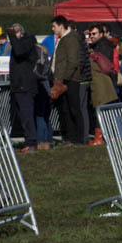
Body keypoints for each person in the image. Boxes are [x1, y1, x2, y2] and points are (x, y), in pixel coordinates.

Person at [51, 15, 91, 146]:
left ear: (61, 26)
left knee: (75, 109)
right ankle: (71, 138)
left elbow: (73, 61)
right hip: (62, 79)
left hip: (71, 79)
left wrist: (64, 78)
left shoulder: (71, 38)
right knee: (66, 109)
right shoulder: (62, 39)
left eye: (54, 26)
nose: (52, 29)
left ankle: (80, 139)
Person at [8, 23, 38, 153]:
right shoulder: (21, 42)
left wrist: (12, 37)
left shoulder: (27, 40)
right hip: (18, 84)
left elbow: (19, 51)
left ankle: (31, 142)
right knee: (23, 115)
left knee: (27, 114)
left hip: (25, 84)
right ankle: (29, 140)